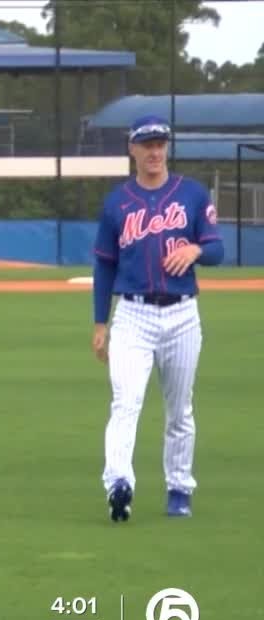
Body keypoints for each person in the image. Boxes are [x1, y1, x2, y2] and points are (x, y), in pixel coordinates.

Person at [92, 115, 224, 522]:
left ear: (167, 147)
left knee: (179, 409)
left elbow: (218, 250)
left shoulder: (192, 195)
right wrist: (101, 322)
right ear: (132, 149)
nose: (154, 151)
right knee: (125, 402)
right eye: (146, 144)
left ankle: (179, 487)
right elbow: (104, 266)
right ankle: (119, 484)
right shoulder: (117, 203)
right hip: (132, 314)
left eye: (160, 143)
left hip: (183, 314)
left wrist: (197, 251)